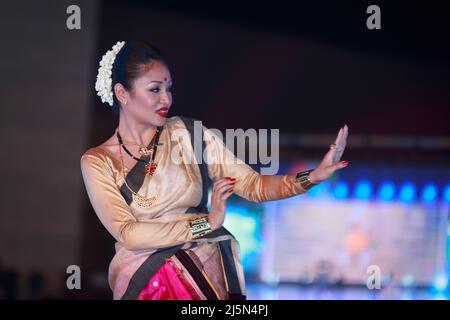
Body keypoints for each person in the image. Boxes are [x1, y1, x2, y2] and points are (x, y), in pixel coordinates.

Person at [81, 40, 349, 300]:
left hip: (203, 276)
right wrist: (205, 223)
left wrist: (311, 177)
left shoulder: (189, 135)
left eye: (169, 88)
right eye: (155, 89)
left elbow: (253, 186)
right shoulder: (99, 161)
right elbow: (129, 233)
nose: (167, 98)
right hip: (145, 284)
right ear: (121, 93)